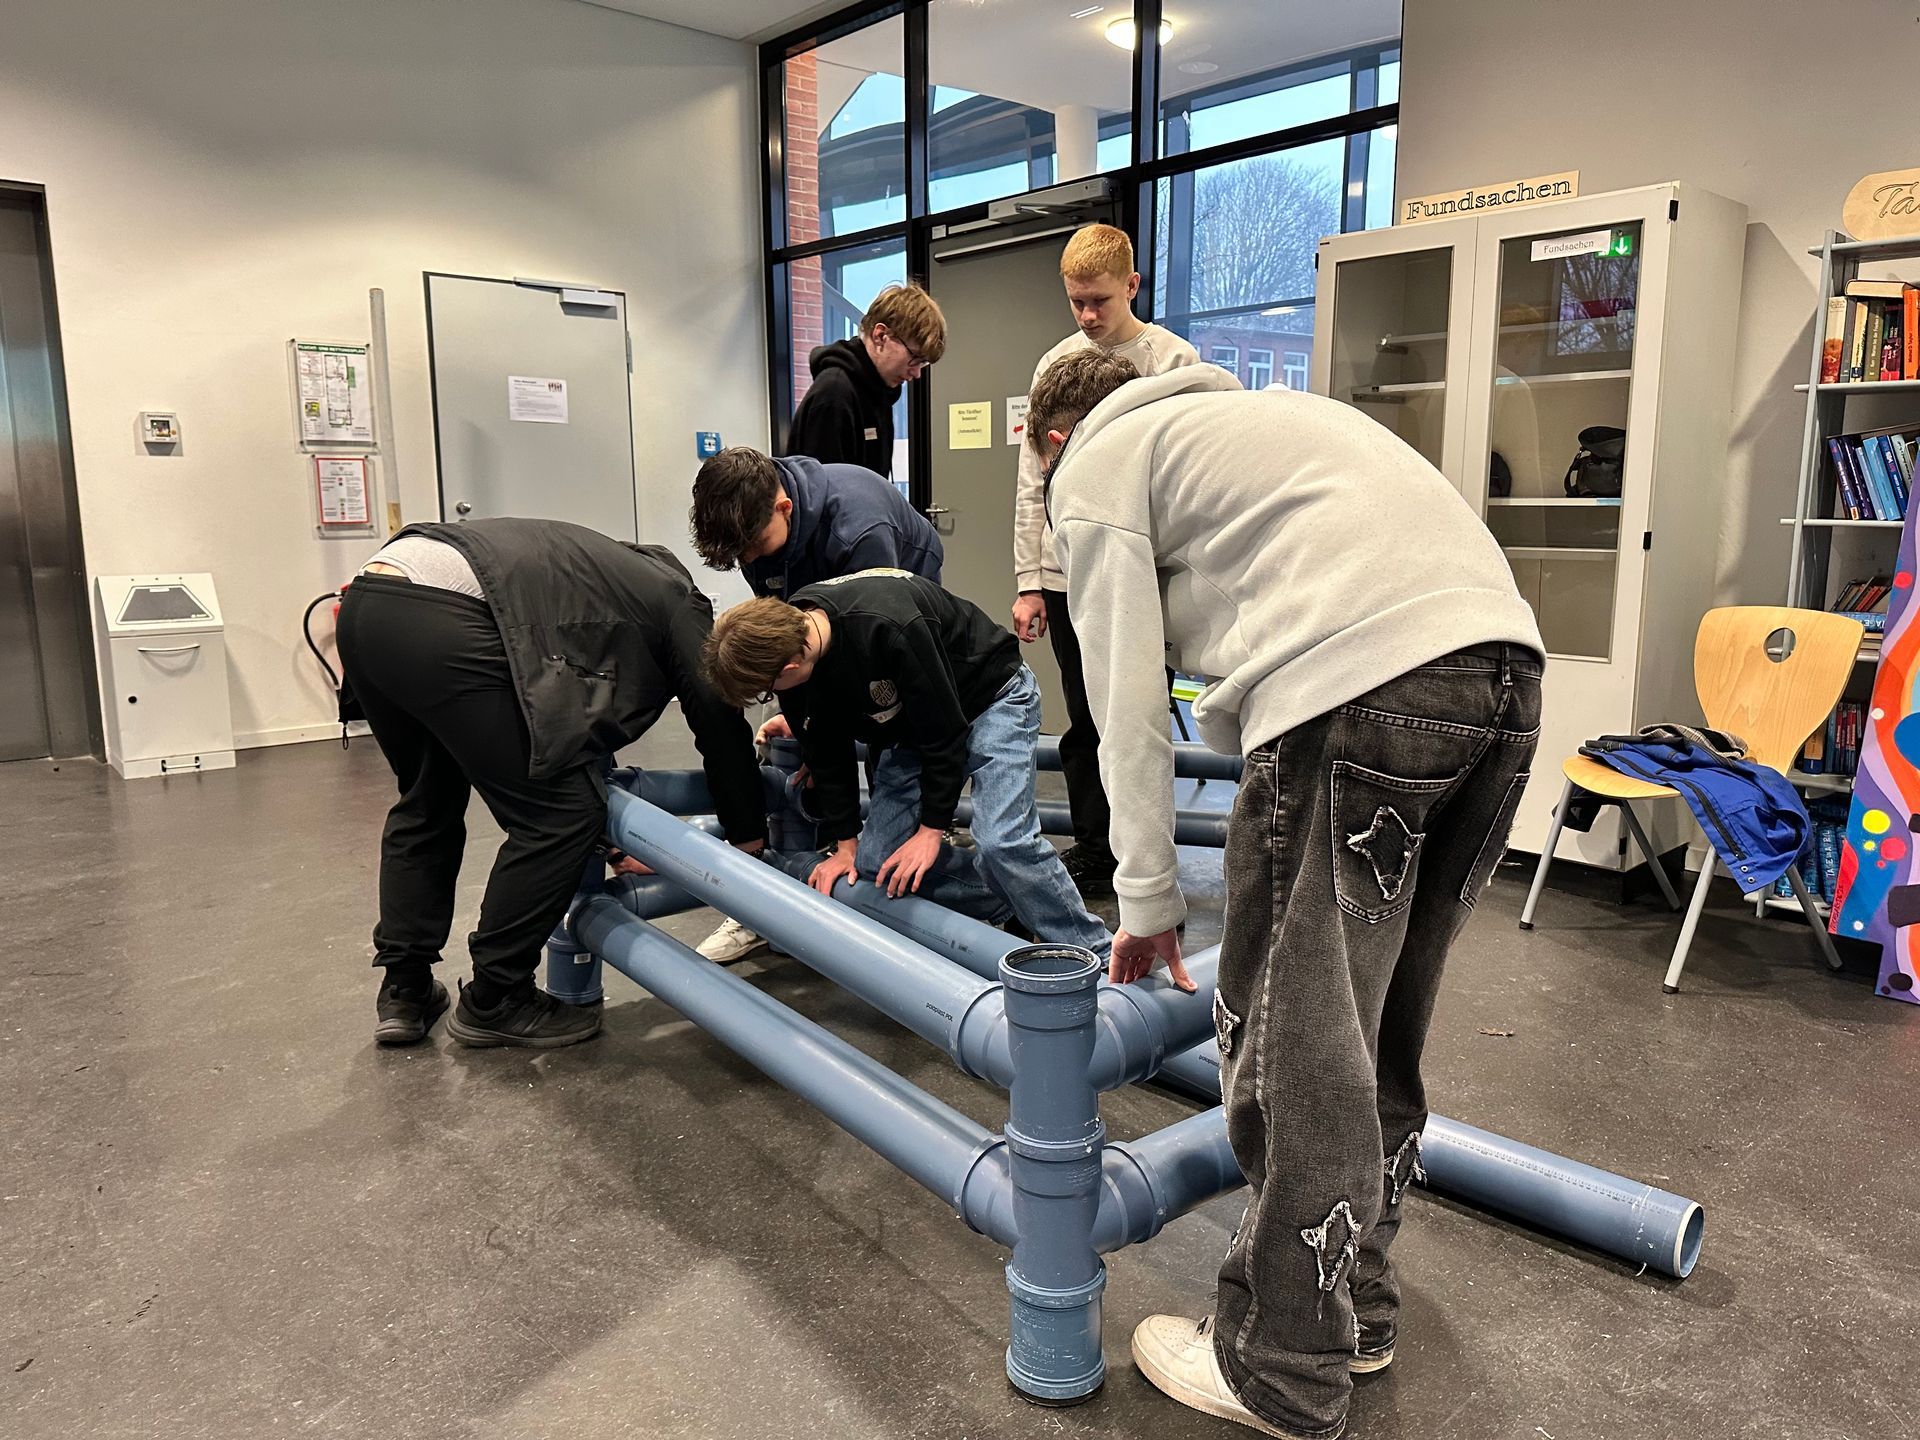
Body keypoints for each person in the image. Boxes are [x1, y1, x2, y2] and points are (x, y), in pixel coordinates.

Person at [1028, 350, 1545, 1440]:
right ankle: (1356, 1310)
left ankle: (1281, 1367)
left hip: (1360, 679)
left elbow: (1122, 702)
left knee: (1295, 1034)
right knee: (1379, 1020)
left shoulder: (1096, 465)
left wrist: (1145, 898)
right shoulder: (1249, 422)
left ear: (1053, 443)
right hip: (1506, 674)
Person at [337, 519, 768, 1049]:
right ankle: (496, 997)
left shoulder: (597, 573)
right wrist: (748, 833)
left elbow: (568, 708)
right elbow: (718, 717)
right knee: (559, 815)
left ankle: (405, 990)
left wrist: (612, 847)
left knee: (428, 798)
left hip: (367, 601)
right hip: (441, 615)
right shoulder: (679, 602)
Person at [700, 571, 1111, 957]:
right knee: (876, 862)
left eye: (768, 690)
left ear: (790, 667)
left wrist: (931, 830)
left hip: (992, 697)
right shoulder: (792, 643)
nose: (773, 696)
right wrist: (846, 845)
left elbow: (945, 734)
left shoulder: (888, 628)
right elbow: (826, 749)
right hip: (913, 725)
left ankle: (1097, 952)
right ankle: (1018, 900)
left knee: (1003, 841)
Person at [1009, 223, 1210, 898]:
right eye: (1076, 302)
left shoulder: (1173, 360)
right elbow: (1032, 480)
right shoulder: (1054, 363)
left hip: (1146, 572)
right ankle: (1097, 847)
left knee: (1139, 713)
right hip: (1068, 573)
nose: (1088, 316)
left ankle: (1147, 851)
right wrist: (1029, 582)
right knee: (1085, 716)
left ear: (1132, 285)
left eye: (1099, 300)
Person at [687, 445, 944, 962]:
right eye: (741, 557)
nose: (750, 562)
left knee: (889, 735)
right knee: (814, 737)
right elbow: (781, 642)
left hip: (896, 612)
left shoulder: (860, 529)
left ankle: (910, 867)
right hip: (823, 623)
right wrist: (806, 733)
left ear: (783, 508)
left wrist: (823, 725)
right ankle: (812, 883)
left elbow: (864, 651)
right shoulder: (756, 535)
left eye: (754, 549)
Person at [787, 282, 946, 478]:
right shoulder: (834, 393)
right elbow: (824, 491)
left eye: (923, 363)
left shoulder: (877, 393)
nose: (916, 373)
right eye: (914, 357)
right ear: (881, 335)